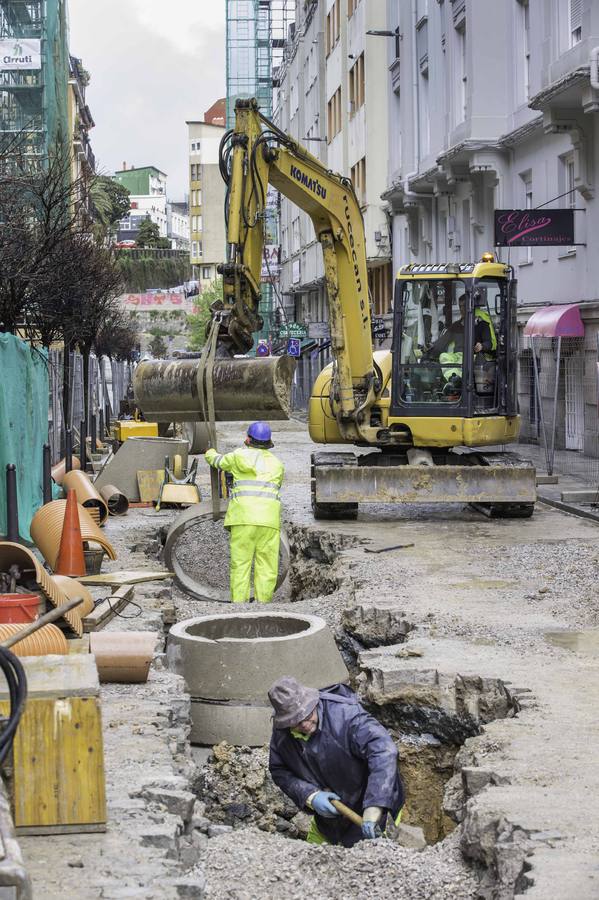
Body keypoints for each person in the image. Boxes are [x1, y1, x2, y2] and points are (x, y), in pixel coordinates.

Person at [268, 676, 404, 847]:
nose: (303, 723)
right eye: (294, 720)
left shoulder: (348, 716)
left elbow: (384, 751)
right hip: (328, 821)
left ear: (313, 702)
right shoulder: (283, 732)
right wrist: (310, 796)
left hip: (372, 810)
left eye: (306, 714)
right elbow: (279, 770)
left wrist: (375, 805)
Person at [204, 422, 284, 603]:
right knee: (267, 567)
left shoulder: (238, 457)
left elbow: (217, 461)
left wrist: (209, 451)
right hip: (269, 521)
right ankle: (262, 604)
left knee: (241, 565)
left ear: (248, 439)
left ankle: (239, 606)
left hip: (243, 519)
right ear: (269, 442)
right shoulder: (277, 464)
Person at [426, 294, 495, 359]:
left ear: (471, 307)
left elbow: (489, 343)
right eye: (460, 306)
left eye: (464, 306)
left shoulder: (482, 325)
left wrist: (482, 346)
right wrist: (430, 347)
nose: (461, 309)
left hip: (475, 360)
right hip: (458, 360)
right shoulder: (456, 326)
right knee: (444, 357)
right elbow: (442, 342)